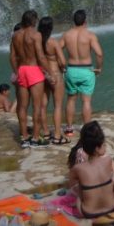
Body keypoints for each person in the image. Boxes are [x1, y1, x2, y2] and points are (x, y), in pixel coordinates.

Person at [10, 10, 54, 148]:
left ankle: (24, 138)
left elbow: (11, 57)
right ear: (33, 21)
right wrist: (50, 72)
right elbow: (40, 57)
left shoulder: (15, 35)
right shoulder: (36, 35)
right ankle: (35, 138)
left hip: (21, 70)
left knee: (22, 106)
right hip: (34, 70)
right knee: (37, 105)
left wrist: (16, 71)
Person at [61, 9, 104, 135]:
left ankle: (69, 128)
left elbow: (57, 51)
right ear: (85, 21)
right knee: (86, 101)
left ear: (73, 21)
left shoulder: (66, 35)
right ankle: (87, 130)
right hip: (87, 70)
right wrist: (99, 68)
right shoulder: (90, 35)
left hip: (71, 69)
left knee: (71, 100)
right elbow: (99, 54)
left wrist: (62, 66)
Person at [68, 121, 114, 219]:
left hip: (89, 213)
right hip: (112, 208)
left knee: (80, 188)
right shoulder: (108, 160)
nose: (105, 146)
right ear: (97, 148)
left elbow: (72, 189)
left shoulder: (78, 168)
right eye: (103, 144)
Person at [38, 16, 68, 144]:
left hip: (43, 74)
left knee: (43, 105)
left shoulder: (37, 42)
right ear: (50, 28)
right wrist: (63, 69)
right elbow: (62, 61)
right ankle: (57, 135)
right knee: (58, 106)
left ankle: (45, 132)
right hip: (55, 74)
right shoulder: (53, 42)